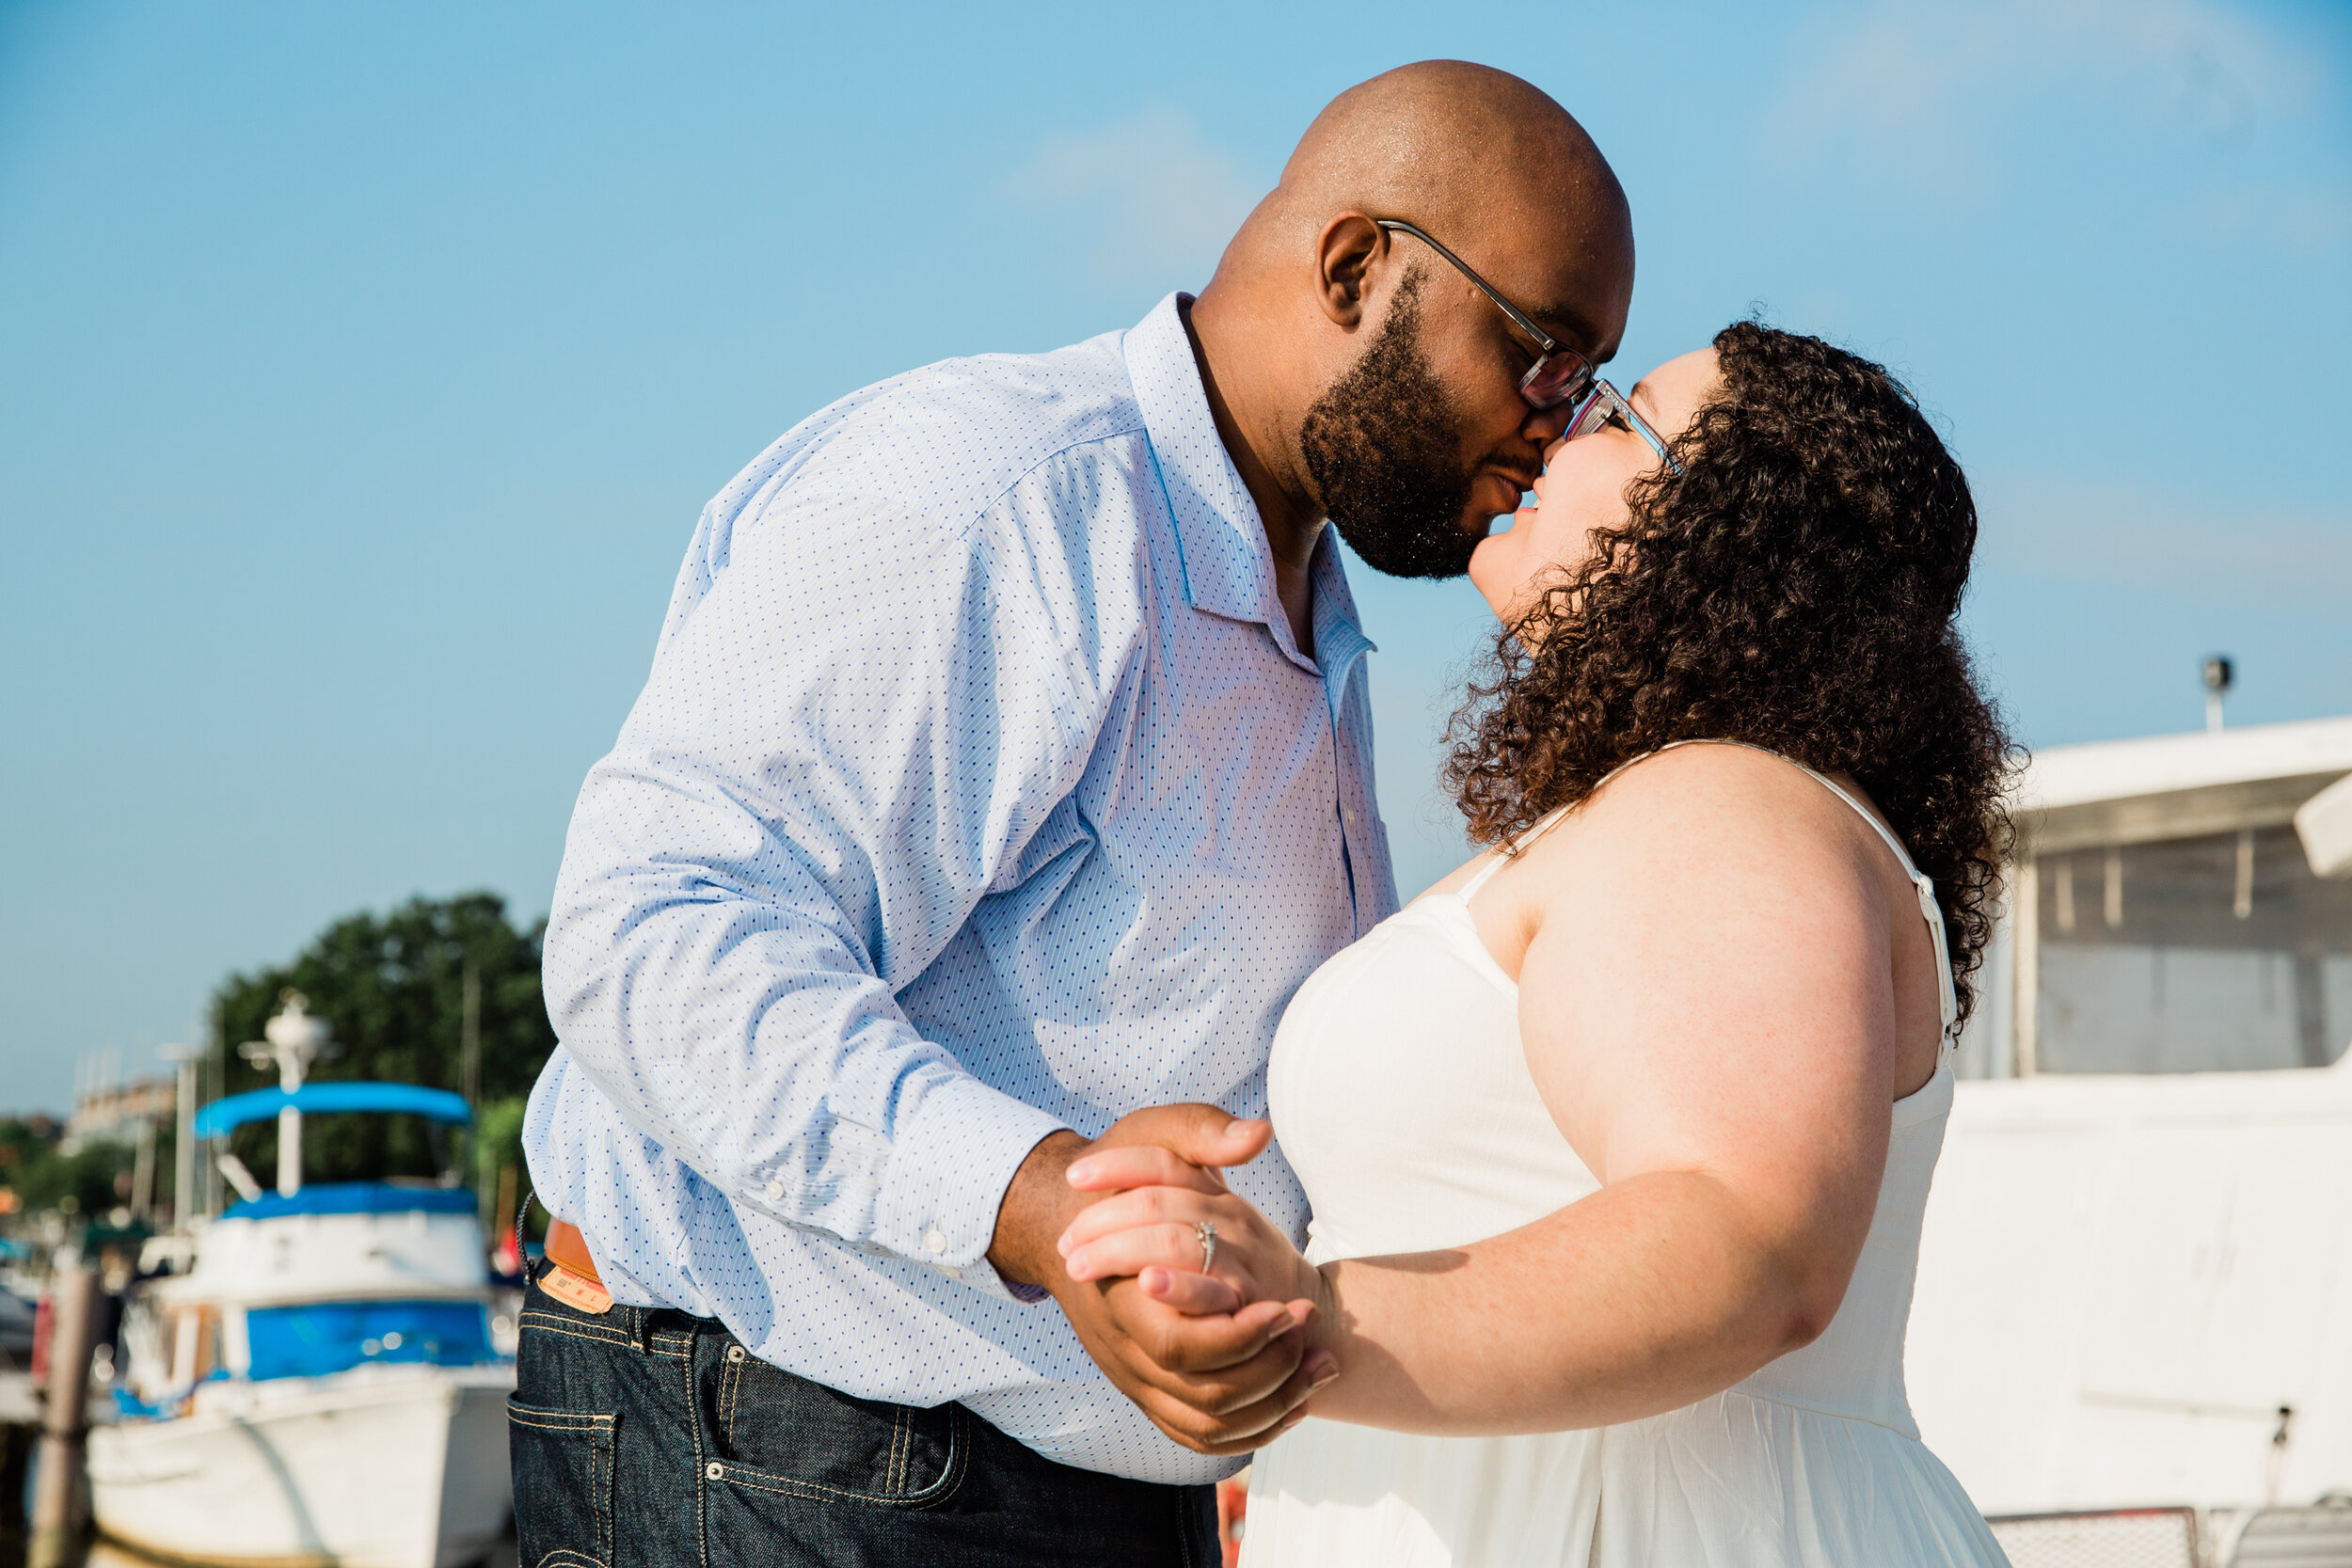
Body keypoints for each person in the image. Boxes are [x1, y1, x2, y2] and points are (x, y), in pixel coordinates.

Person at [510, 62, 1637, 1568]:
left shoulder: (1303, 604)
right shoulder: (996, 499)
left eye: (1594, 387)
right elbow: (650, 930)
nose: (1558, 428)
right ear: (1359, 268)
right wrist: (1041, 1201)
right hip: (792, 1457)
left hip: (1058, 1493)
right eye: (1545, 353)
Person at [1057, 324, 2018, 1565]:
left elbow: (1749, 1235)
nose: (1558, 433)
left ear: (1735, 527)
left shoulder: (1724, 808)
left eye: (1619, 416)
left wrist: (1300, 1320)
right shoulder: (1695, 813)